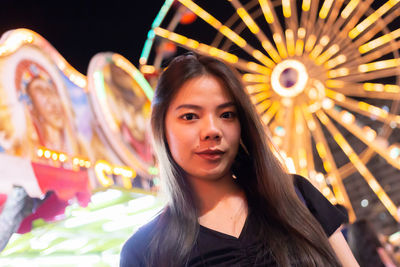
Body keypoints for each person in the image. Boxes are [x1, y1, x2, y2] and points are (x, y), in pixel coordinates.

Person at [120, 53, 359, 266]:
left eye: (227, 114)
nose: (212, 130)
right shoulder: (143, 253)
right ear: (161, 128)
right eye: (190, 116)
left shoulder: (297, 196)